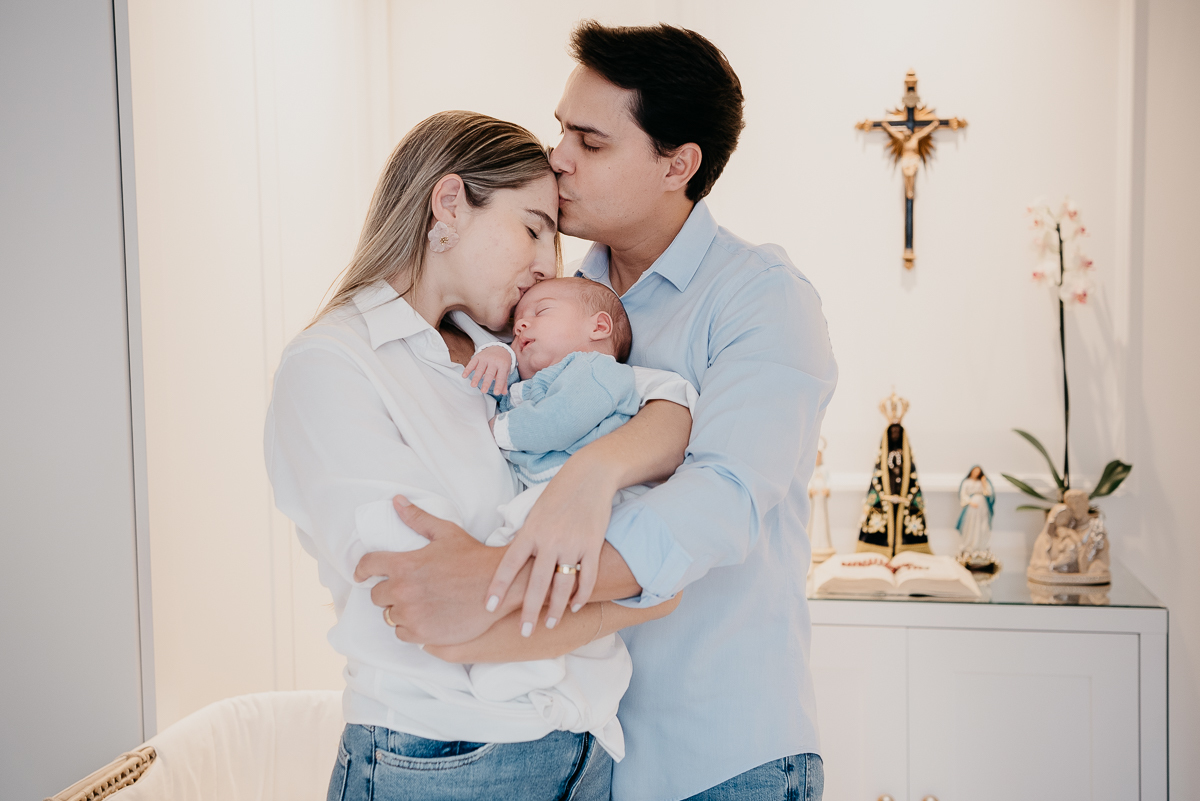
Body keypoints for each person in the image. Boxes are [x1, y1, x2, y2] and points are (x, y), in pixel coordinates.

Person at [358, 22, 838, 800]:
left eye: (590, 140)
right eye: (560, 129)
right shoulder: (542, 304)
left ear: (677, 164)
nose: (556, 158)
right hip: (580, 753)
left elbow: (725, 500)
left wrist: (500, 580)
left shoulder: (762, 297)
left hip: (722, 757)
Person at [265, 110, 691, 801]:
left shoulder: (517, 364)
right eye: (532, 228)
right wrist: (641, 597)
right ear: (450, 204)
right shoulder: (333, 365)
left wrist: (597, 475)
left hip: (584, 746)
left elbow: (667, 405)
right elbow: (434, 605)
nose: (545, 268)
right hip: (442, 759)